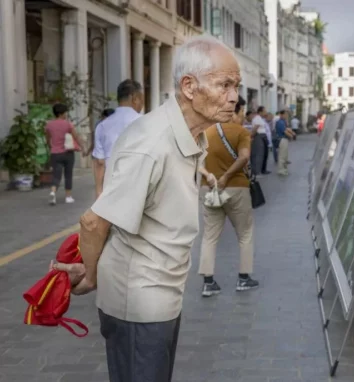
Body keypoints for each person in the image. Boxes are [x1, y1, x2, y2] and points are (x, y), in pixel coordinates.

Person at [51, 35, 241, 382]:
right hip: (139, 303)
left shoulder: (191, 134)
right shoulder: (151, 142)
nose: (233, 97)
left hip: (163, 296)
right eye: (224, 84)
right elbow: (93, 222)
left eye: (236, 86)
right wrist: (92, 275)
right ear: (188, 86)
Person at [197, 95, 258, 297]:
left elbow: (196, 162)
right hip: (237, 188)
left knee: (209, 236)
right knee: (245, 234)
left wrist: (210, 177)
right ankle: (243, 278)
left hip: (210, 189)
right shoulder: (241, 132)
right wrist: (226, 177)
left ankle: (208, 282)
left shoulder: (205, 133)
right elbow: (244, 157)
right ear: (236, 110)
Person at [92, 80, 144, 199]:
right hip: (139, 186)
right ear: (135, 98)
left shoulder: (102, 126)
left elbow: (100, 163)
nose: (142, 104)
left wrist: (99, 192)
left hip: (111, 187)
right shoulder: (145, 122)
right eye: (142, 99)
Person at [45, 103, 85, 206]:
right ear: (62, 113)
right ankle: (68, 197)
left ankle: (53, 192)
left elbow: (48, 139)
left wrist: (51, 147)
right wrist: (83, 148)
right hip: (67, 153)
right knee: (68, 175)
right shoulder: (67, 124)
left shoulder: (49, 125)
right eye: (65, 112)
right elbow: (76, 137)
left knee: (56, 175)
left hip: (55, 153)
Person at [275, 110, 295, 176]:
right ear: (281, 115)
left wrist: (292, 134)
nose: (286, 116)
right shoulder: (280, 122)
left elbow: (287, 129)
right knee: (282, 156)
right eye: (285, 115)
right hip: (282, 139)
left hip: (285, 139)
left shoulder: (283, 122)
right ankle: (281, 170)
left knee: (285, 156)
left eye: (287, 115)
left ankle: (284, 169)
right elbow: (285, 131)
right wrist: (291, 136)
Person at [250, 106, 268, 176]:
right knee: (258, 154)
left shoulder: (261, 118)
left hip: (262, 136)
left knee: (262, 154)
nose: (266, 112)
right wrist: (251, 136)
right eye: (264, 111)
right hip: (258, 136)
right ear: (260, 112)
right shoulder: (257, 119)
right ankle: (256, 171)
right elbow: (255, 129)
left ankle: (259, 170)